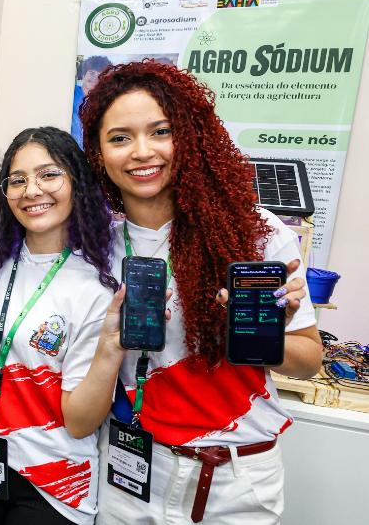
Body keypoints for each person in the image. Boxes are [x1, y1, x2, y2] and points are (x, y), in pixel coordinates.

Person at [79, 60, 321, 524]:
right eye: (120, 138)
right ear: (98, 153)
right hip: (129, 472)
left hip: (236, 479)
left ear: (189, 136)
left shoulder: (254, 233)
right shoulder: (94, 247)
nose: (142, 152)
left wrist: (254, 334)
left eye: (161, 131)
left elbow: (308, 361)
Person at [0, 127, 120, 525]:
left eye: (49, 175)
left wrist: (110, 350)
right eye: (18, 180)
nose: (32, 190)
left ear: (76, 183)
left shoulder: (95, 287)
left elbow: (79, 422)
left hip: (52, 481)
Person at [70, 55, 111, 147]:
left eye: (100, 76)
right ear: (84, 75)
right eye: (92, 73)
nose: (95, 78)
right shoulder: (70, 92)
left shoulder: (104, 102)